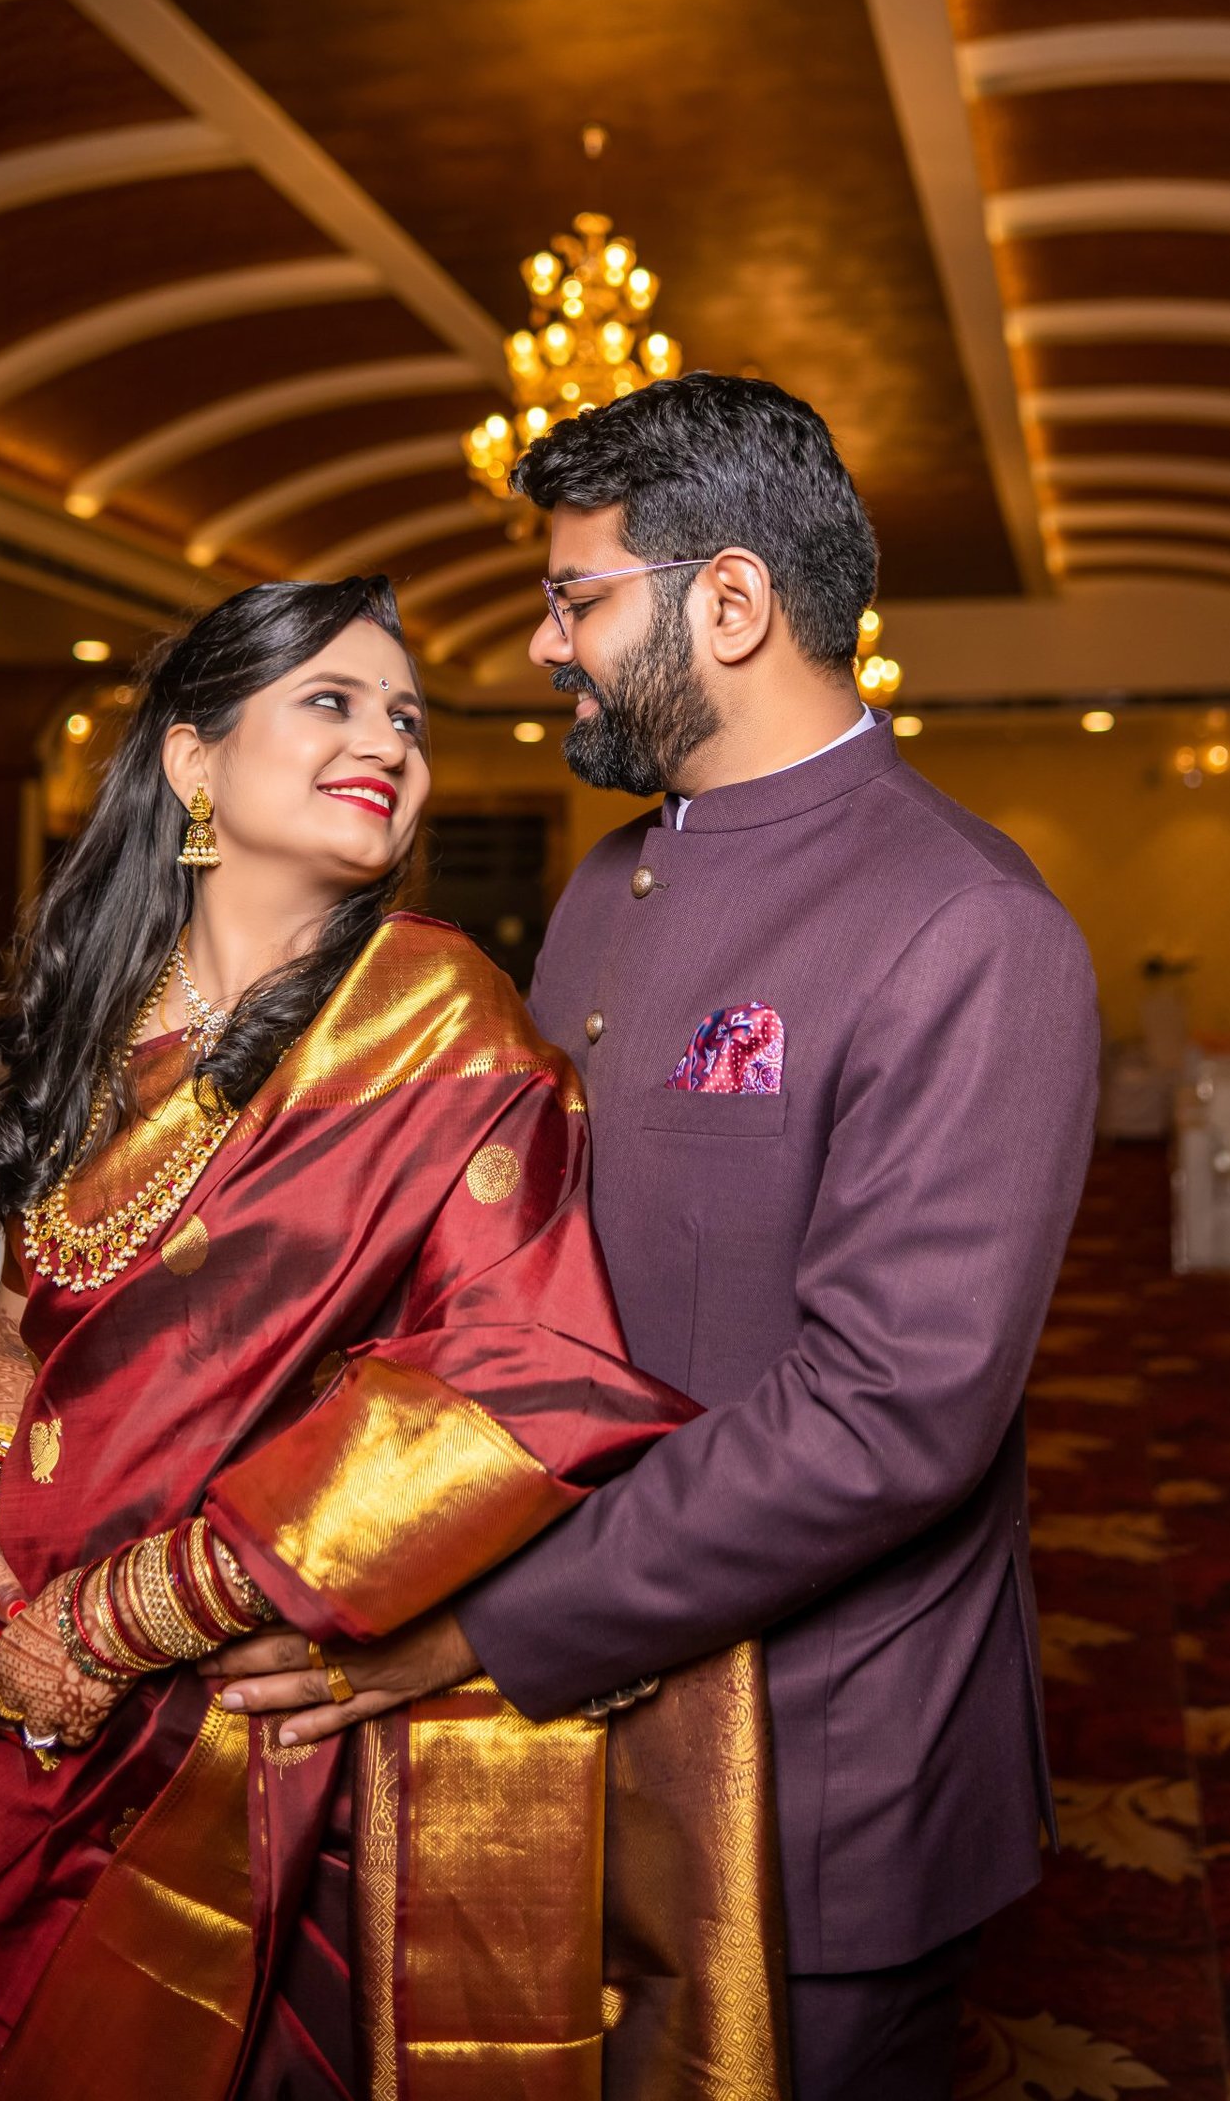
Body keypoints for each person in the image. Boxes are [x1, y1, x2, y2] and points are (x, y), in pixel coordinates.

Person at [213, 378, 1102, 2101]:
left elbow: (891, 1416)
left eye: (577, 597)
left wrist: (483, 1629)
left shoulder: (969, 924)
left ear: (732, 601)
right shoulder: (608, 880)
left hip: (823, 1759)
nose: (545, 644)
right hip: (568, 1731)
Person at [0, 575, 788, 2101]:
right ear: (192, 760)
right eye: (332, 701)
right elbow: (28, 1331)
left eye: (408, 719)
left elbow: (511, 1380)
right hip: (37, 1674)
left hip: (266, 1699)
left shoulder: (434, 1017)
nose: (388, 742)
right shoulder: (100, 1025)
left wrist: (128, 1618)